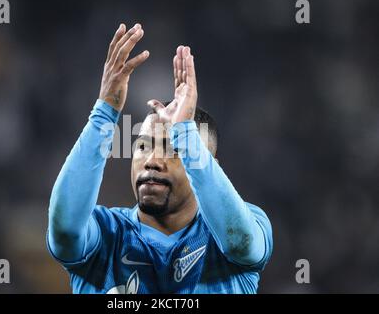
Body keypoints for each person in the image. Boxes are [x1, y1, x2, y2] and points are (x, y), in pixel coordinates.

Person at [47, 23, 273, 293]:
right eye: (143, 146)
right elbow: (65, 231)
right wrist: (104, 113)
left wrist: (186, 134)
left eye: (174, 150)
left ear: (207, 164)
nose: (152, 161)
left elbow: (240, 241)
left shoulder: (240, 228)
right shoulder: (105, 235)